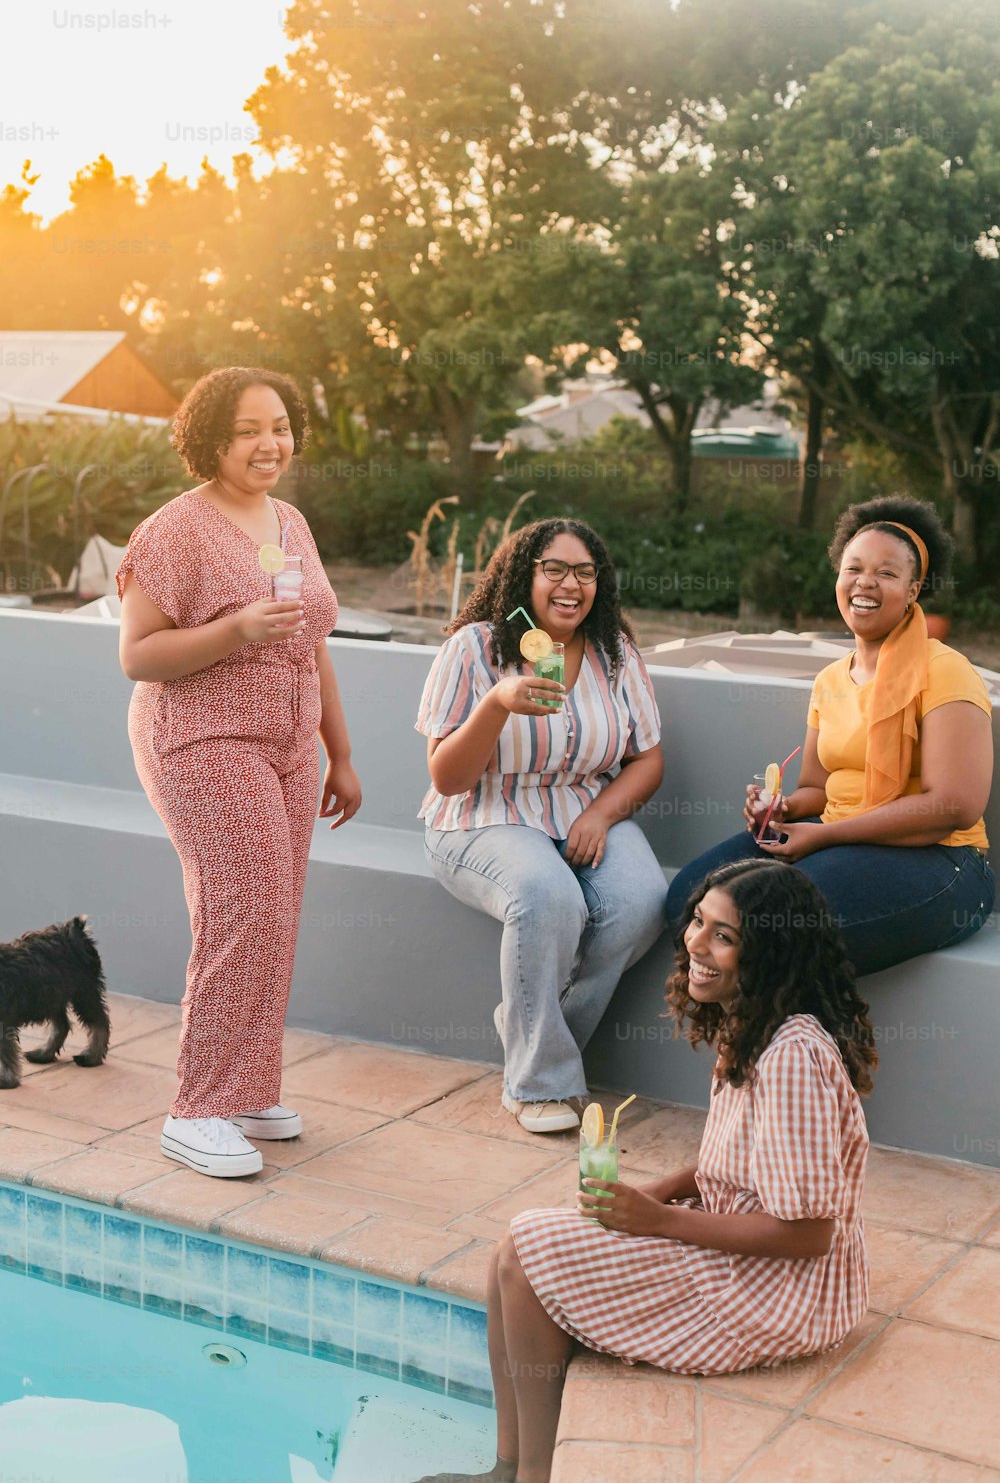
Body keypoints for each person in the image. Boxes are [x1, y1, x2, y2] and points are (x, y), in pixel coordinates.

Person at [413, 859, 877, 1483]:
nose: (696, 943)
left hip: (783, 1294)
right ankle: (507, 1465)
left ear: (770, 951)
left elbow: (809, 1234)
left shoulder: (792, 1056)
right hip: (743, 1245)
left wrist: (659, 1221)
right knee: (511, 1254)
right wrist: (663, 1190)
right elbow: (746, 1158)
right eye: (698, 922)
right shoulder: (754, 1023)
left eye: (725, 936)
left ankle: (532, 1478)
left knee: (527, 1248)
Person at [117, 367, 361, 1178]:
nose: (270, 444)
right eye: (249, 429)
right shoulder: (175, 531)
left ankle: (247, 1087)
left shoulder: (290, 522)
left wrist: (342, 752)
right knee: (244, 908)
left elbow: (312, 639)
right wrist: (236, 630)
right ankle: (196, 1109)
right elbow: (138, 656)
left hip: (290, 744)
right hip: (201, 737)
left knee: (277, 912)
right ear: (211, 439)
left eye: (281, 426)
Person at [666, 494, 994, 976]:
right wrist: (782, 808)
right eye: (853, 568)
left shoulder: (946, 670)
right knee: (687, 899)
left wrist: (824, 838)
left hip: (942, 861)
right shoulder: (830, 680)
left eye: (887, 572)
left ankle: (796, 1049)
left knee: (778, 923)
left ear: (913, 589)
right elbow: (817, 790)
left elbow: (952, 806)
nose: (865, 582)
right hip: (837, 838)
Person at [416, 517, 667, 1134]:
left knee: (641, 902)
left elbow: (649, 759)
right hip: (484, 813)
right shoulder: (474, 648)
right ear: (522, 575)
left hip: (584, 808)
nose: (571, 585)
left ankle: (530, 1024)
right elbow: (448, 778)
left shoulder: (615, 654)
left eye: (585, 573)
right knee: (546, 895)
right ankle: (538, 1084)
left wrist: (603, 814)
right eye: (553, 569)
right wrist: (496, 706)